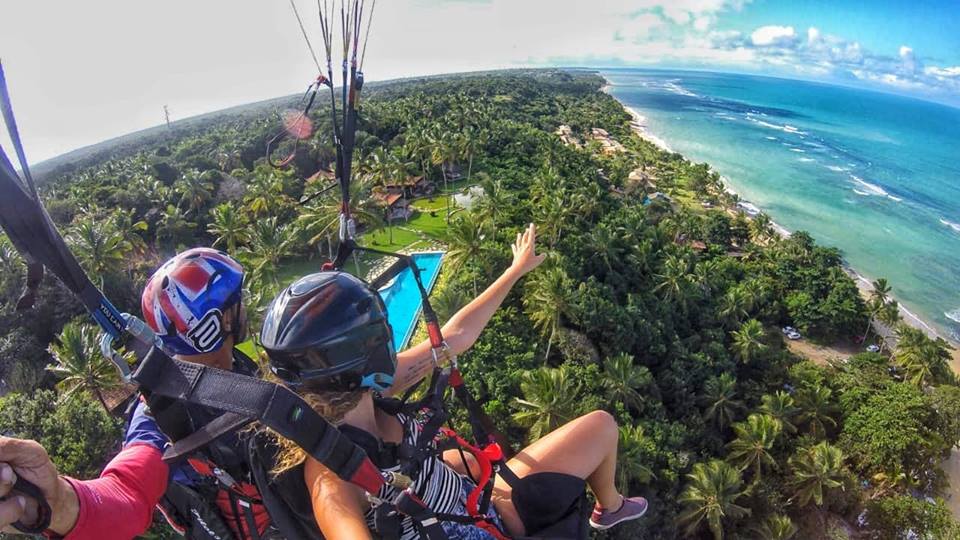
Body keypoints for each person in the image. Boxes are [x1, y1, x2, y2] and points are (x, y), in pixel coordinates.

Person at [258, 224, 649, 539]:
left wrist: (515, 271)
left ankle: (608, 507)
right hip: (486, 522)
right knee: (600, 429)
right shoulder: (331, 475)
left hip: (480, 504)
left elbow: (455, 337)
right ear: (368, 352)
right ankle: (609, 506)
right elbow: (340, 519)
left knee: (599, 426)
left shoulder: (373, 390)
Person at [0, 248, 272, 539]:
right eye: (237, 303)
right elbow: (128, 490)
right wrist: (61, 502)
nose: (244, 309)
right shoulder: (162, 412)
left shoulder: (237, 366)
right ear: (221, 320)